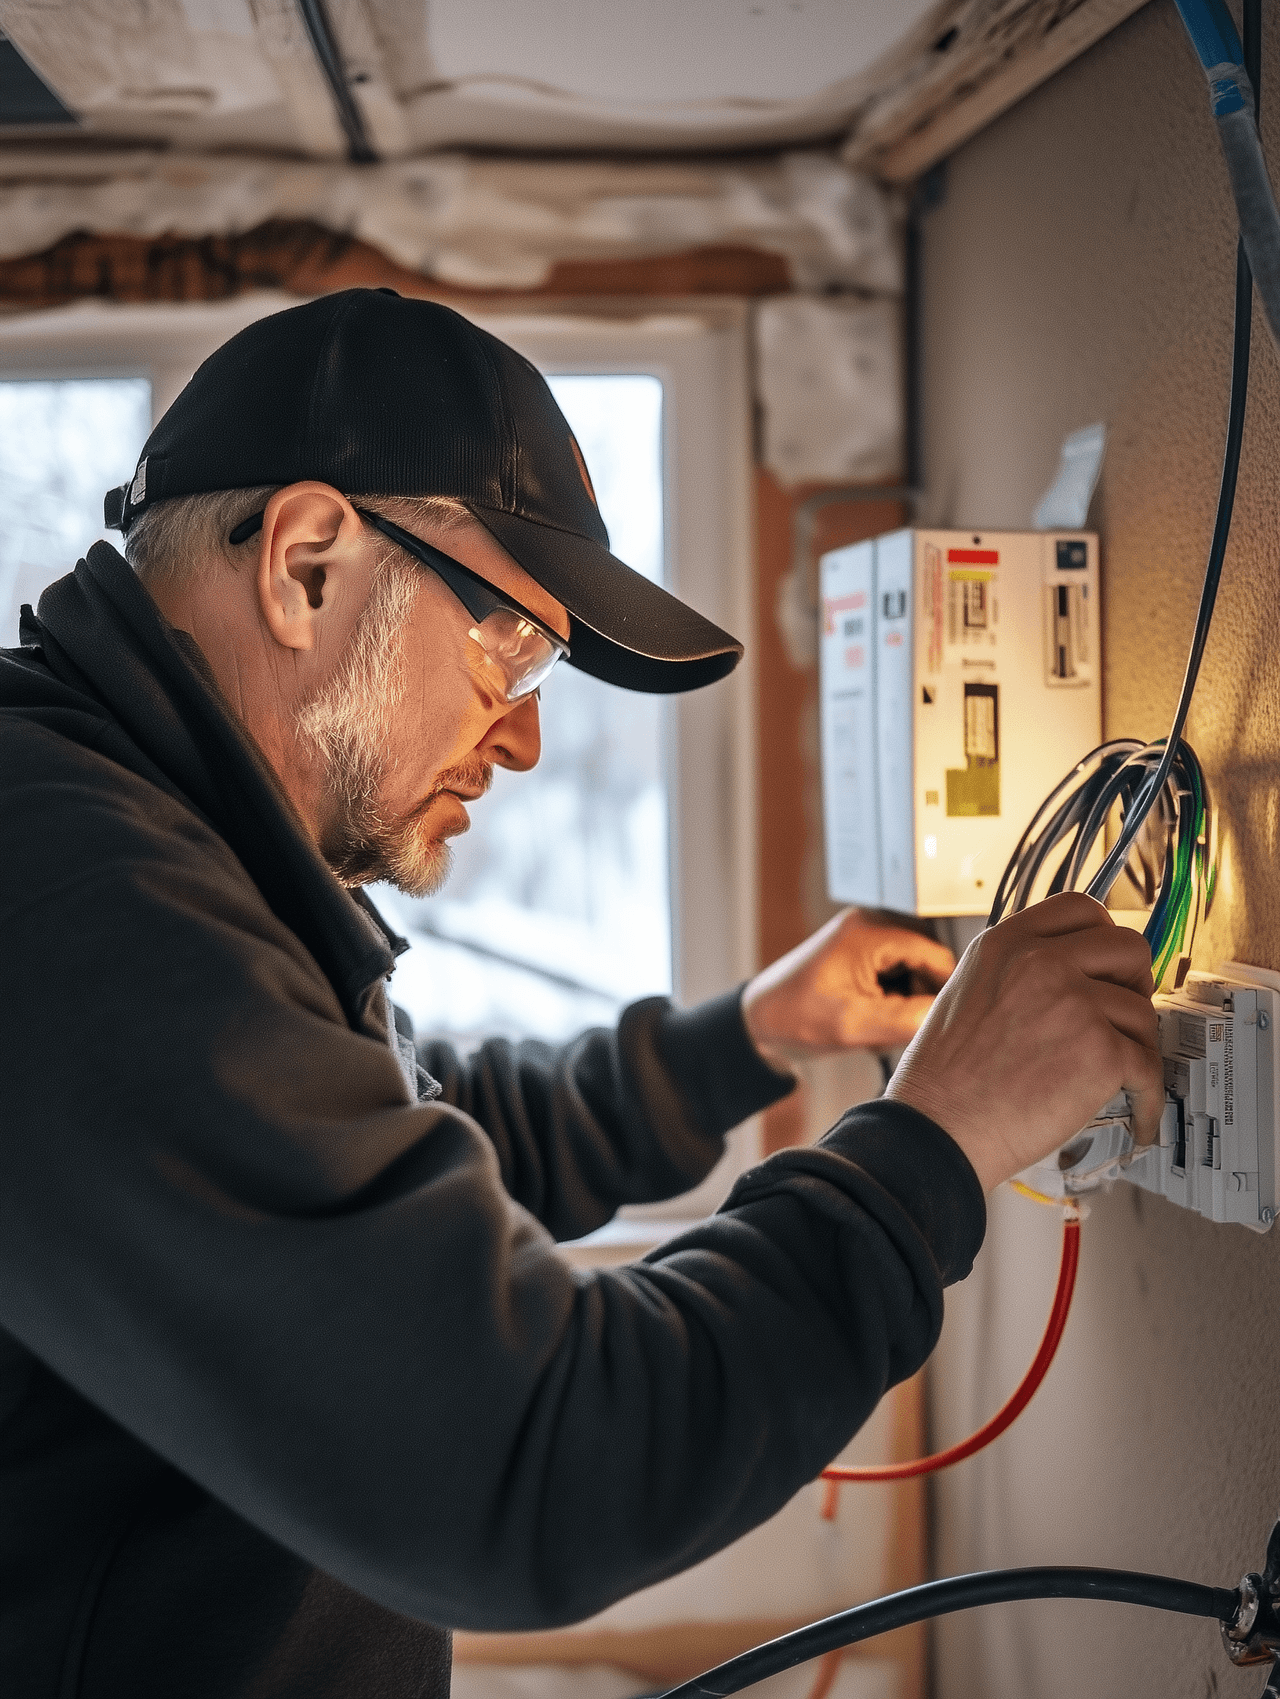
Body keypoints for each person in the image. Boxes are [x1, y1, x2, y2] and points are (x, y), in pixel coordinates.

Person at [0, 290, 1162, 1699]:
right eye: (513, 644)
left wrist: (753, 1031)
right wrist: (935, 1146)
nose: (532, 734)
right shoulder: (78, 894)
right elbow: (520, 1457)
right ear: (308, 562)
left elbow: (413, 1131)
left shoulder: (158, 837)